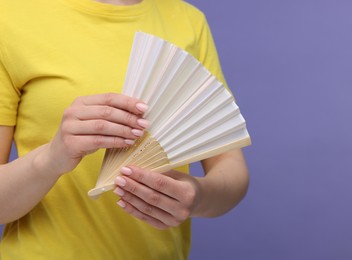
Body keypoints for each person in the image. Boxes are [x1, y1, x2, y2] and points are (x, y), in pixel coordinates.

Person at [0, 0, 249, 259]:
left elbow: (232, 170)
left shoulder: (188, 21)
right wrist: (50, 159)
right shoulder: (9, 16)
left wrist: (198, 196)